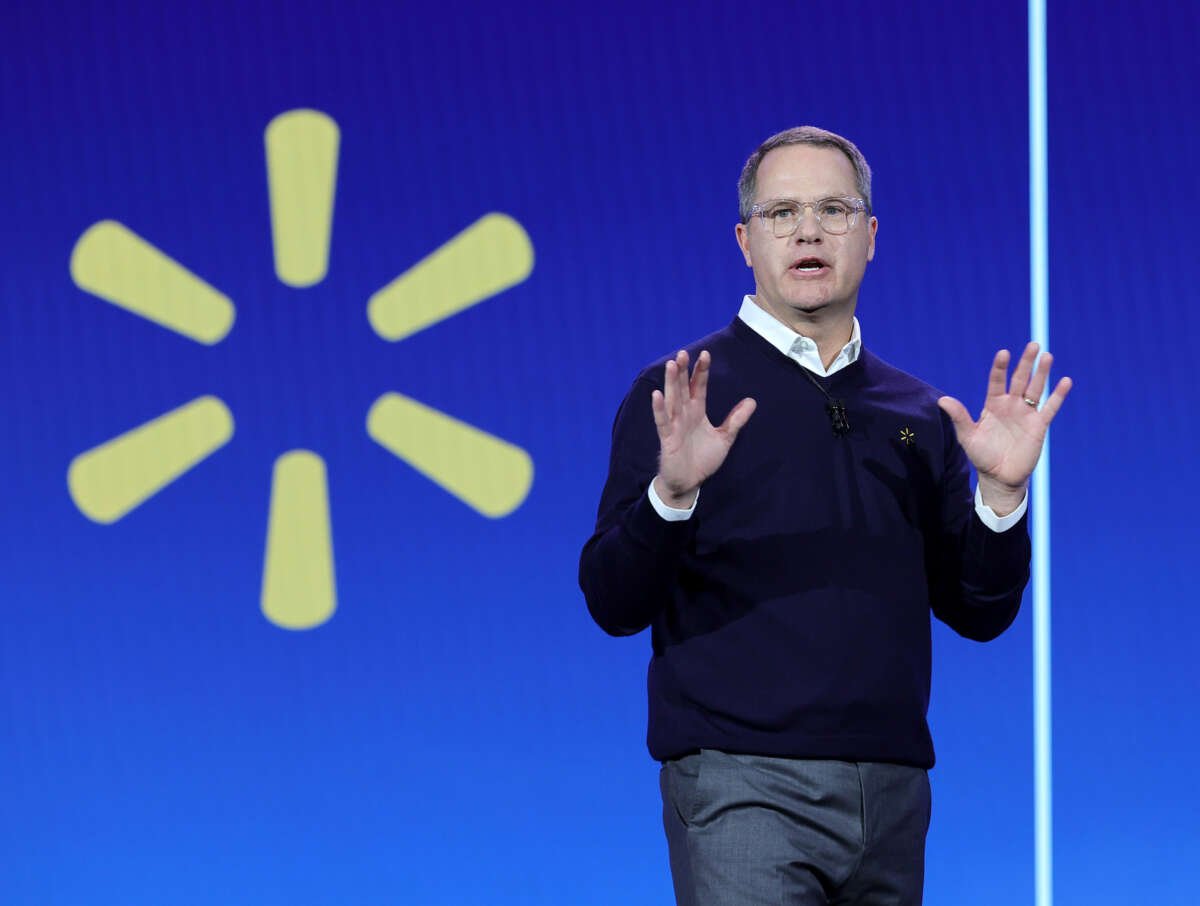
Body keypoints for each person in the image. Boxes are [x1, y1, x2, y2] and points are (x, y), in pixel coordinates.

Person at [577, 126, 1072, 906]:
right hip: (743, 783)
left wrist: (1002, 501)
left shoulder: (918, 412)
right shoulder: (685, 398)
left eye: (833, 209)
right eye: (782, 213)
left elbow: (980, 613)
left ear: (869, 236)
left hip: (893, 791)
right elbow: (612, 601)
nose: (808, 230)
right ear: (745, 240)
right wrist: (670, 497)